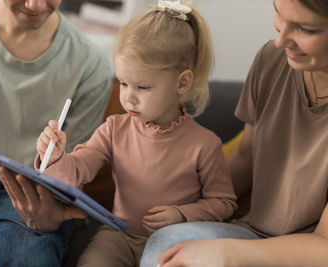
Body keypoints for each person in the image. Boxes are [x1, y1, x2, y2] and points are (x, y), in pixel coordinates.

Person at [31, 1, 237, 266]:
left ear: (182, 82)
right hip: (117, 235)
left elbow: (224, 203)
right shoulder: (114, 129)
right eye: (123, 83)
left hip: (174, 239)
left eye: (142, 87)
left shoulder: (205, 145)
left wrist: (182, 214)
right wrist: (57, 157)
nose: (128, 98)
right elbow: (79, 169)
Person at [139, 0, 328, 266]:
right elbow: (245, 157)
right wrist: (178, 205)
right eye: (278, 14)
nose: (281, 40)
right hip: (252, 234)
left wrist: (227, 253)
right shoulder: (272, 61)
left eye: (305, 29)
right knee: (167, 244)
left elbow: (324, 246)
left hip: (308, 255)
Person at [0, 0, 113, 265]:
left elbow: (72, 177)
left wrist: (50, 216)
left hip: (30, 197)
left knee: (28, 255)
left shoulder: (91, 66)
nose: (36, 5)